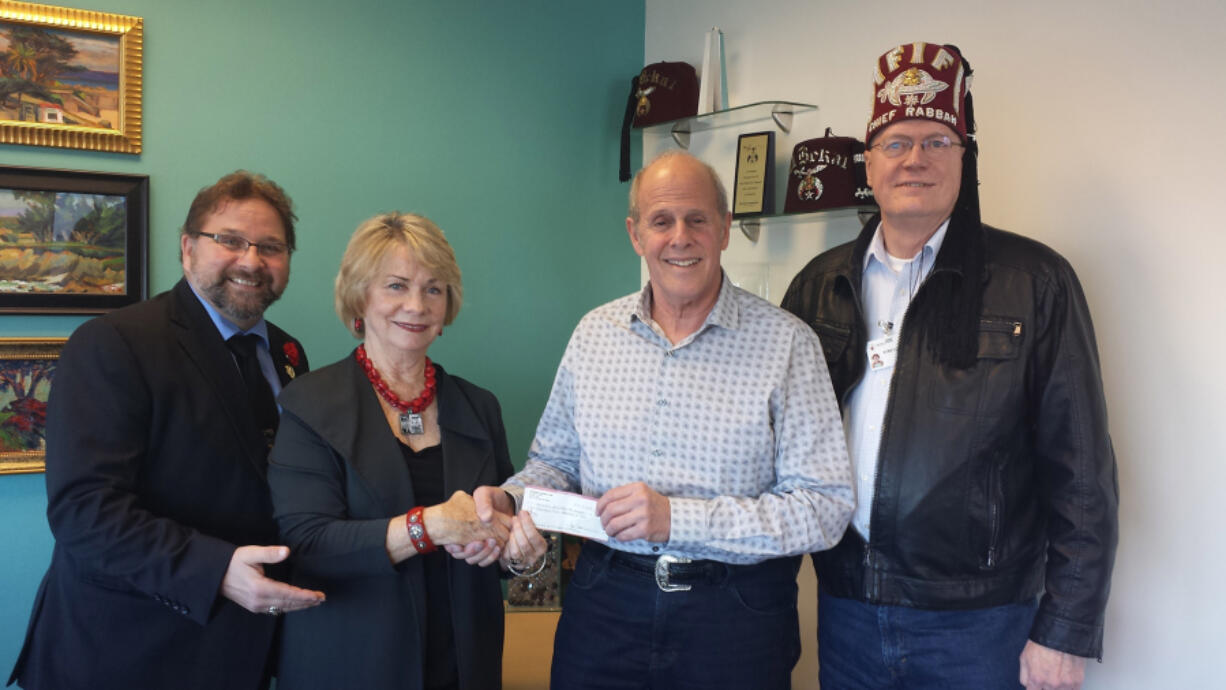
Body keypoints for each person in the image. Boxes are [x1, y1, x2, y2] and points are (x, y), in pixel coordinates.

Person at [781, 42, 1119, 690]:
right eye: (896, 141)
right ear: (869, 162)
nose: (915, 158)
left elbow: (1083, 473)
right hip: (846, 611)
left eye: (937, 141)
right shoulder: (819, 285)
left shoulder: (1035, 283)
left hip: (983, 625)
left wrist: (1066, 629)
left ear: (965, 159)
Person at [477, 151, 854, 689]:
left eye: (697, 219)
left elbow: (824, 507)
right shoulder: (594, 334)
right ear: (636, 234)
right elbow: (556, 462)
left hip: (735, 615)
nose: (680, 237)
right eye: (661, 221)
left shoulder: (788, 344)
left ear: (724, 228)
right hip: (605, 603)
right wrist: (512, 499)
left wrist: (677, 520)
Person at [9, 171, 327, 690]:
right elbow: (84, 510)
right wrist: (216, 569)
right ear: (187, 248)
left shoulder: (290, 355)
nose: (251, 260)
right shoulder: (113, 343)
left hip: (239, 653)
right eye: (230, 240)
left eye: (271, 247)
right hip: (124, 654)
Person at [267, 212, 513, 690]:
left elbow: (500, 531)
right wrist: (431, 526)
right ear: (361, 296)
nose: (417, 305)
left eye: (433, 288)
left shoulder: (479, 406)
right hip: (352, 660)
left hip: (463, 661)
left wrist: (516, 547)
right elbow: (307, 545)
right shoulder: (309, 404)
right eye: (396, 286)